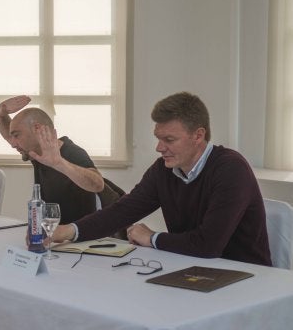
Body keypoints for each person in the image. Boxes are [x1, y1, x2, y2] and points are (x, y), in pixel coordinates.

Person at [51, 92, 272, 266]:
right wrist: (67, 231)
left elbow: (208, 245)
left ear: (198, 135)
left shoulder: (231, 169)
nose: (159, 148)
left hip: (245, 277)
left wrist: (152, 238)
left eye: (169, 139)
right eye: (158, 138)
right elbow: (122, 211)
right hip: (195, 269)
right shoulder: (164, 170)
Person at [0, 95, 106, 224]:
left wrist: (59, 163)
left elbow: (98, 184)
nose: (13, 143)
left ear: (37, 129)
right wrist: (1, 113)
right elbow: (7, 134)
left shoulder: (71, 151)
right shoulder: (36, 151)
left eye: (16, 135)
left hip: (79, 238)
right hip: (52, 234)